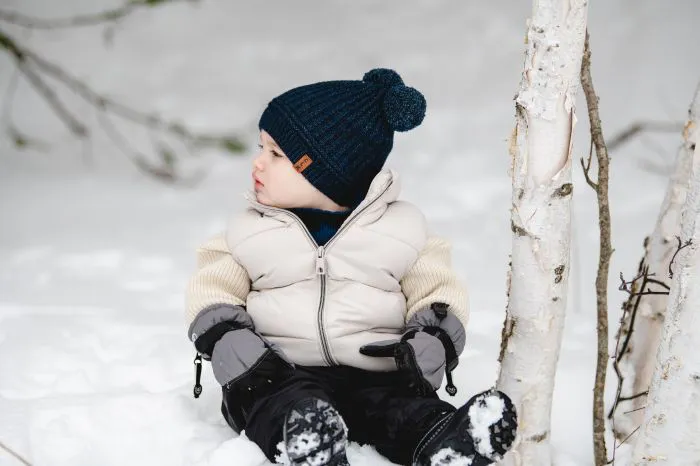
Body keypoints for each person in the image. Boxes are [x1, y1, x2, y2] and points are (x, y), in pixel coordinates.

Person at [185, 68, 517, 466]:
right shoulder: (247, 231)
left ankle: (449, 442)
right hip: (275, 371)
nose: (257, 163)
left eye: (276, 154)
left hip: (377, 370)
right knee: (277, 404)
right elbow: (212, 289)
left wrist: (432, 339)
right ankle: (307, 441)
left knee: (402, 408)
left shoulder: (403, 230)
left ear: (327, 172)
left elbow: (439, 292)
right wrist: (228, 339)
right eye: (261, 148)